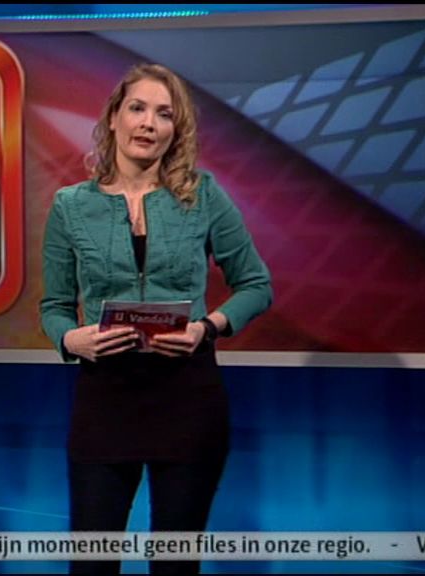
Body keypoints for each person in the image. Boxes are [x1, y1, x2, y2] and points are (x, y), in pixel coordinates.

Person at [39, 63, 272, 575]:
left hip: (187, 398)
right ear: (114, 118)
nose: (149, 123)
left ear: (175, 129)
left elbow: (256, 285)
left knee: (174, 565)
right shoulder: (70, 206)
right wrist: (71, 340)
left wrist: (206, 328)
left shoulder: (203, 195)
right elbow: (53, 308)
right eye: (138, 109)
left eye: (164, 114)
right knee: (92, 564)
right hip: (106, 398)